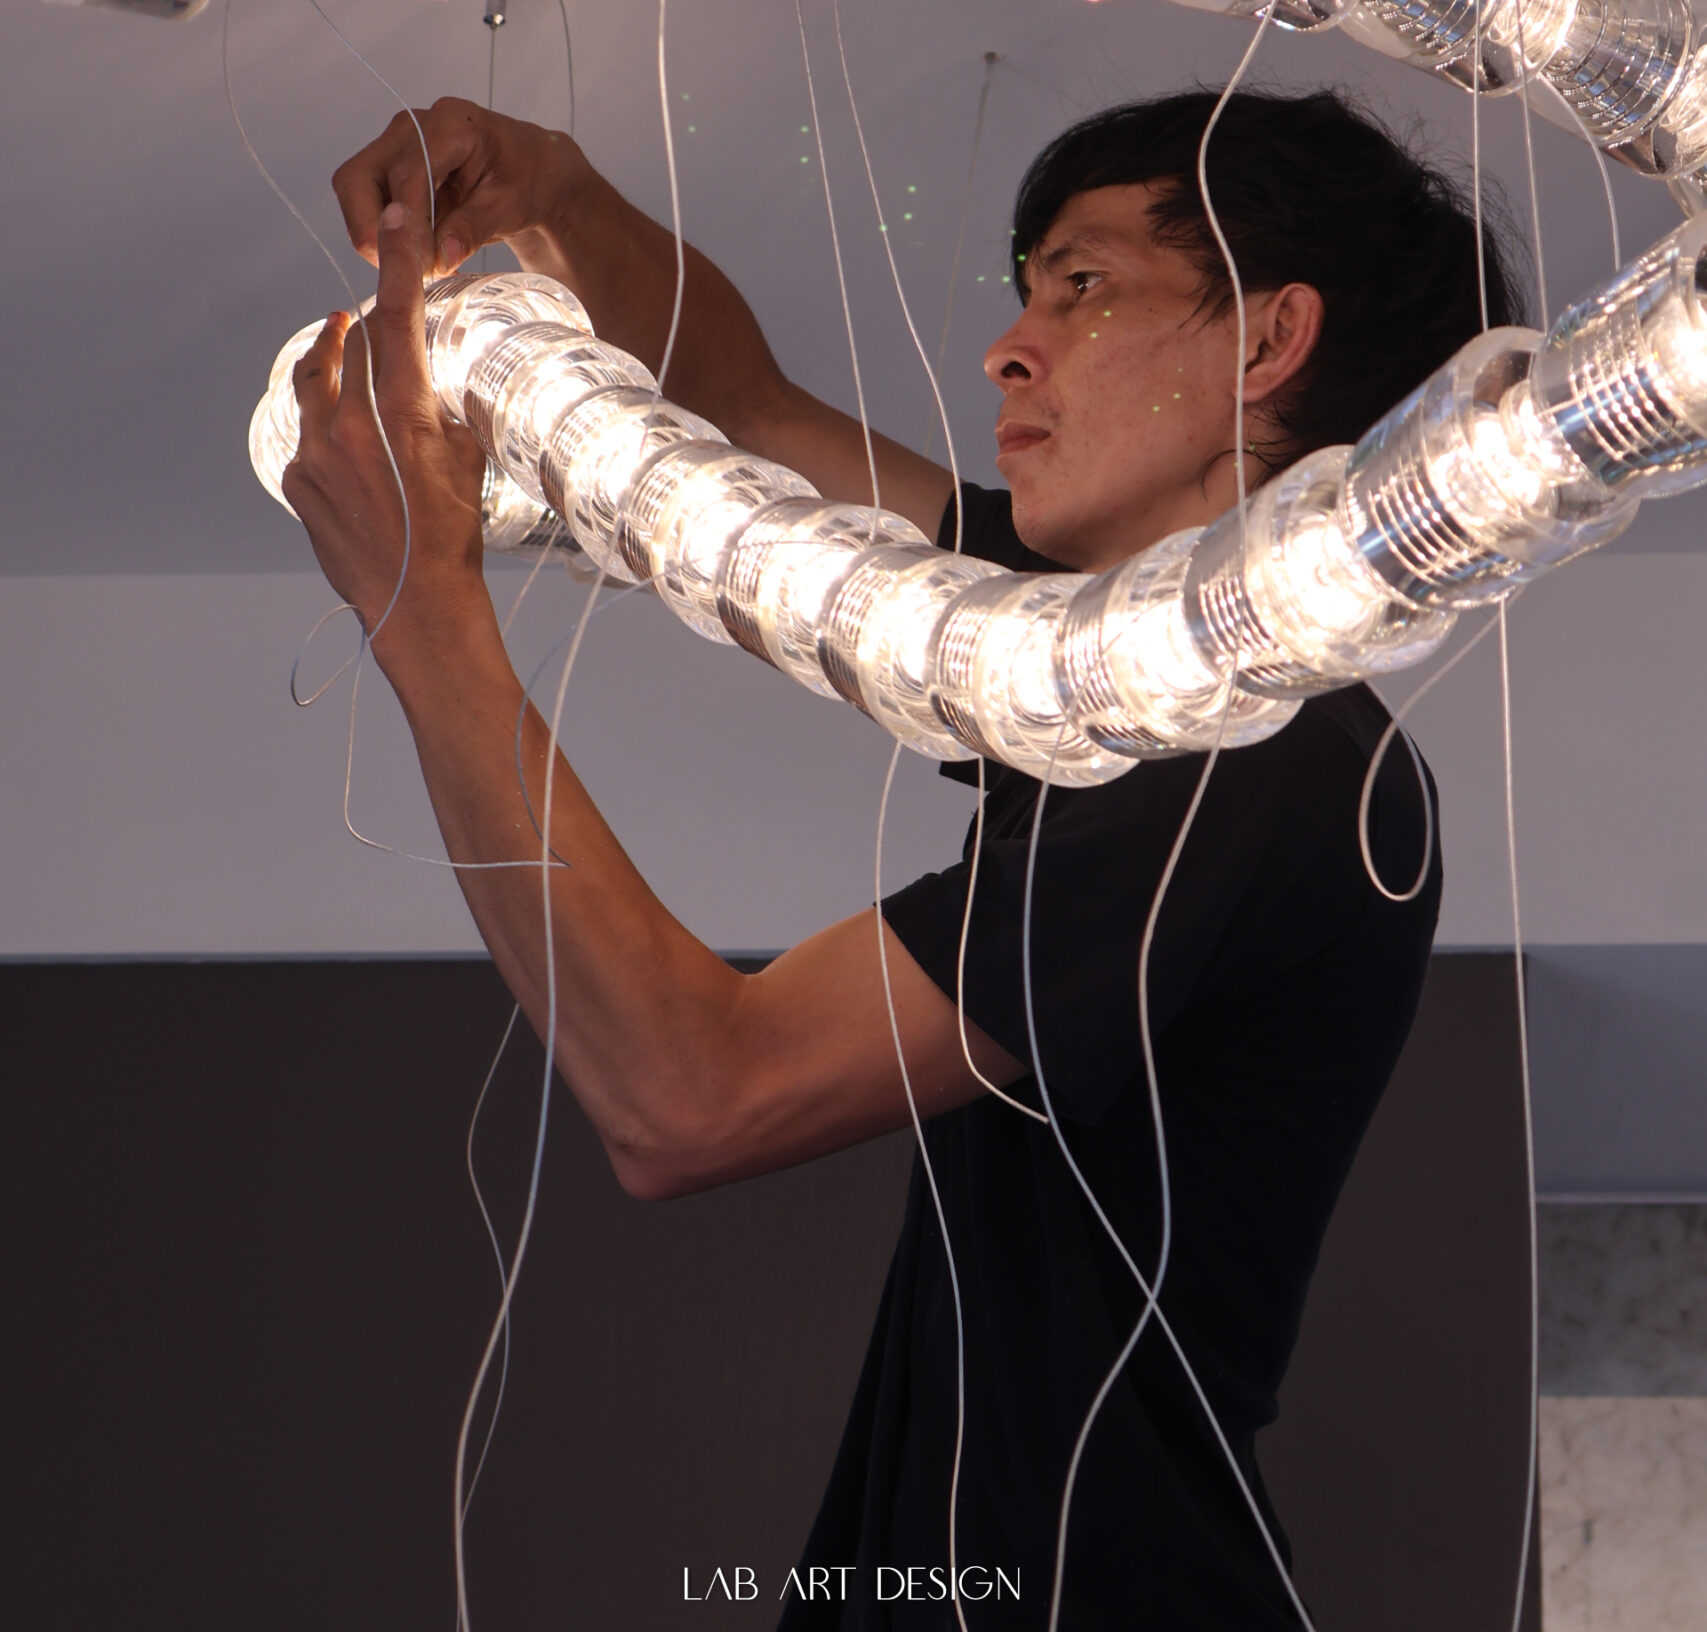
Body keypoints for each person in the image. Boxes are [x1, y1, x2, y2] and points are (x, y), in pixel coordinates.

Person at [285, 82, 1522, 1628]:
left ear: (1269, 342)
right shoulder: (1094, 671)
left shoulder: (1258, 750)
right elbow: (741, 409)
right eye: (1027, 293)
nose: (1008, 347)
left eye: (1081, 287)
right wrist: (555, 191)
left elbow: (690, 1095)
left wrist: (421, 610)